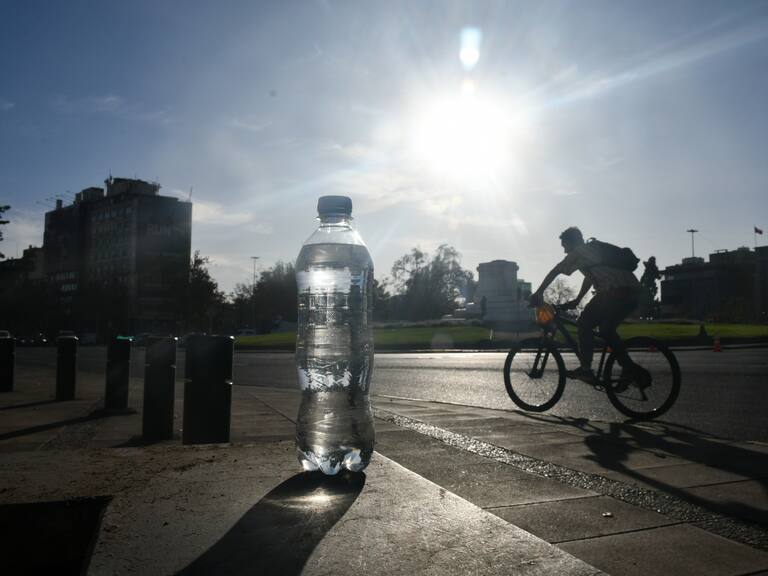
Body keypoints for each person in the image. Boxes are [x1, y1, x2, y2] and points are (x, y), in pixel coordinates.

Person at [529, 227, 646, 384]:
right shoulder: (593, 250)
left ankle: (586, 369)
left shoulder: (579, 252)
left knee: (584, 323)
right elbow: (590, 278)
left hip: (615, 291)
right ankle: (629, 369)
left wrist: (538, 292)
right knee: (606, 329)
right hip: (632, 291)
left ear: (572, 242)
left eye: (565, 246)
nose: (565, 251)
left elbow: (556, 270)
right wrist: (577, 300)